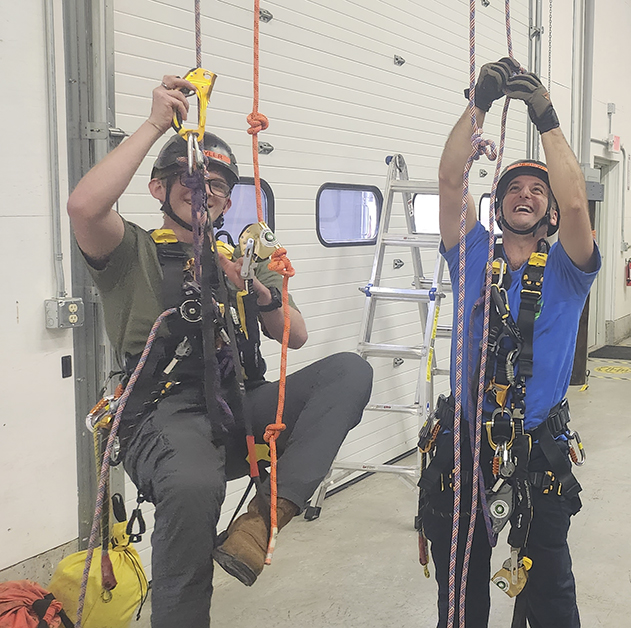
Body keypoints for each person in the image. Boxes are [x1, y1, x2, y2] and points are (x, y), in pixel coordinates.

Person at [65, 73, 373, 628]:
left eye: (215, 183)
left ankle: (264, 517)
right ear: (158, 189)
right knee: (192, 486)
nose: (202, 188)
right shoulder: (131, 251)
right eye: (187, 177)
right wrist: (156, 123)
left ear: (228, 199)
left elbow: (295, 336)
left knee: (349, 372)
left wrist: (257, 292)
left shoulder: (245, 259)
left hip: (238, 406)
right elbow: (84, 207)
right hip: (164, 413)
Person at [421, 58, 599, 628]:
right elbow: (449, 180)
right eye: (513, 189)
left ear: (551, 211)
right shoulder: (472, 255)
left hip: (537, 447)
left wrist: (545, 116)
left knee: (550, 594)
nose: (525, 194)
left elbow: (577, 202)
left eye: (537, 190)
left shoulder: (570, 269)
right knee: (459, 594)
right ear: (497, 208)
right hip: (467, 441)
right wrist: (479, 103)